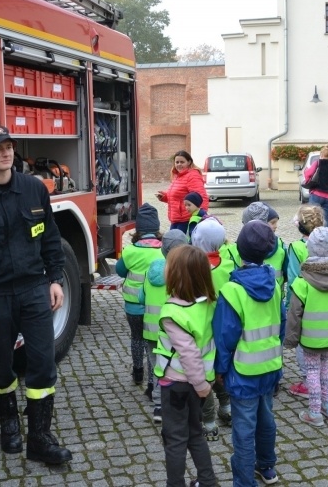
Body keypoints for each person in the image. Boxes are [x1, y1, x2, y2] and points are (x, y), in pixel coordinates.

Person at [0, 124, 72, 465]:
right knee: (1, 365)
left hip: (34, 289)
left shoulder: (34, 190)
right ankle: (9, 424)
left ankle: (39, 437)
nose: (6, 152)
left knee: (42, 363)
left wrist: (55, 279)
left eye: (9, 146)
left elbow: (49, 236)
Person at [213, 220, 282, 487]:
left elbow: (224, 337)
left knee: (243, 431)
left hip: (243, 372)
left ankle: (244, 482)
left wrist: (220, 369)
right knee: (267, 421)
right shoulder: (275, 285)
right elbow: (281, 323)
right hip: (270, 366)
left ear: (239, 250)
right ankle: (267, 467)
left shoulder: (232, 291)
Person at [154, 245, 217, 487]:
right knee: (195, 433)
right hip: (200, 384)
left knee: (175, 439)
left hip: (177, 385)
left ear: (176, 275)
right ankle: (207, 481)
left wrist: (200, 383)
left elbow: (188, 353)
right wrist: (204, 383)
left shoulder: (173, 312)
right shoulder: (207, 303)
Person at [284, 227, 328, 431]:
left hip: (310, 338)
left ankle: (314, 413)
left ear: (310, 250)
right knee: (326, 369)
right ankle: (327, 405)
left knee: (312, 371)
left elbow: (294, 314)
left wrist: (290, 340)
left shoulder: (302, 283)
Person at [191, 217, 235, 440]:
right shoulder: (229, 266)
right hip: (225, 332)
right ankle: (226, 408)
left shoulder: (194, 269)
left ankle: (208, 423)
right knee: (222, 371)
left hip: (202, 334)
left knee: (205, 376)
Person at [141, 229, 189, 424]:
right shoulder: (183, 274)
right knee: (176, 367)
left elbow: (141, 297)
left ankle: (159, 407)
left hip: (151, 331)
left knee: (156, 368)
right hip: (172, 331)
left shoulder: (150, 270)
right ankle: (179, 404)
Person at [116, 203, 164, 388]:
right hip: (156, 307)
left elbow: (120, 271)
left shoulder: (130, 251)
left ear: (138, 229)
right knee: (154, 343)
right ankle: (153, 383)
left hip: (133, 306)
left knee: (136, 338)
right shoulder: (163, 250)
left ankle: (137, 372)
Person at [155, 150, 209, 233]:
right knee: (174, 243)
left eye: (182, 162)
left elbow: (201, 197)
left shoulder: (192, 176)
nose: (179, 164)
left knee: (180, 244)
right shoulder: (178, 176)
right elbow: (177, 197)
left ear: (189, 162)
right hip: (176, 219)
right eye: (177, 162)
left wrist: (201, 216)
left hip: (186, 220)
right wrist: (164, 197)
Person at [302, 146, 328, 227]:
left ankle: (313, 236)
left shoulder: (318, 162)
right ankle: (326, 236)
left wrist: (306, 173)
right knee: (325, 219)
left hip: (317, 194)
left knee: (313, 217)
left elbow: (308, 174)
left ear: (321, 154)